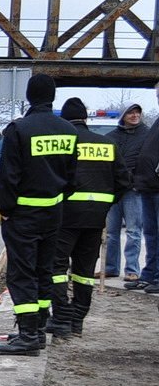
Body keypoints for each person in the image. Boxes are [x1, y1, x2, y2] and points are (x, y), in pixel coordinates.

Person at [0, 73, 79, 356]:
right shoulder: (68, 130)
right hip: (53, 213)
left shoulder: (18, 129)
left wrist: (5, 210)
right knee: (44, 271)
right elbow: (72, 178)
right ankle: (39, 329)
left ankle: (28, 335)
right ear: (52, 97)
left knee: (21, 273)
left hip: (22, 215)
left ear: (29, 96)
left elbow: (9, 177)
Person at [45, 98, 130, 340]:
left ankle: (60, 318)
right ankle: (77, 321)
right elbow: (123, 182)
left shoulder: (64, 145)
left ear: (65, 120)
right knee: (84, 271)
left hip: (65, 216)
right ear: (86, 119)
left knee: (57, 269)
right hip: (95, 218)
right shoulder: (108, 144)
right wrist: (104, 203)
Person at [104, 103, 148, 280]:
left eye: (137, 112)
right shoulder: (112, 137)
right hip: (114, 189)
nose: (135, 115)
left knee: (133, 231)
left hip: (133, 190)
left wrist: (139, 182)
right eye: (131, 112)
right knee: (111, 232)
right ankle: (110, 268)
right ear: (124, 116)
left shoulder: (147, 134)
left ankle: (132, 270)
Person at [127, 86, 159, 293]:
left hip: (156, 185)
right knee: (151, 233)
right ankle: (150, 274)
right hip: (148, 186)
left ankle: (156, 277)